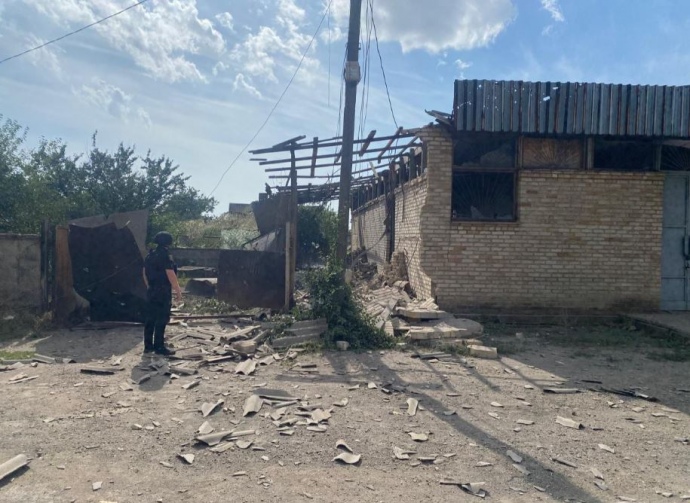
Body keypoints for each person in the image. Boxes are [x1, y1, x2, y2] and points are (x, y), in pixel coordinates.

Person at [142, 231, 182, 356]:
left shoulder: (150, 255)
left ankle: (148, 346)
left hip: (152, 290)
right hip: (163, 291)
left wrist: (149, 286)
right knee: (161, 318)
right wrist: (178, 290)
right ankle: (159, 347)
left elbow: (144, 272)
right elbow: (170, 274)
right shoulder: (165, 255)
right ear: (168, 242)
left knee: (150, 318)